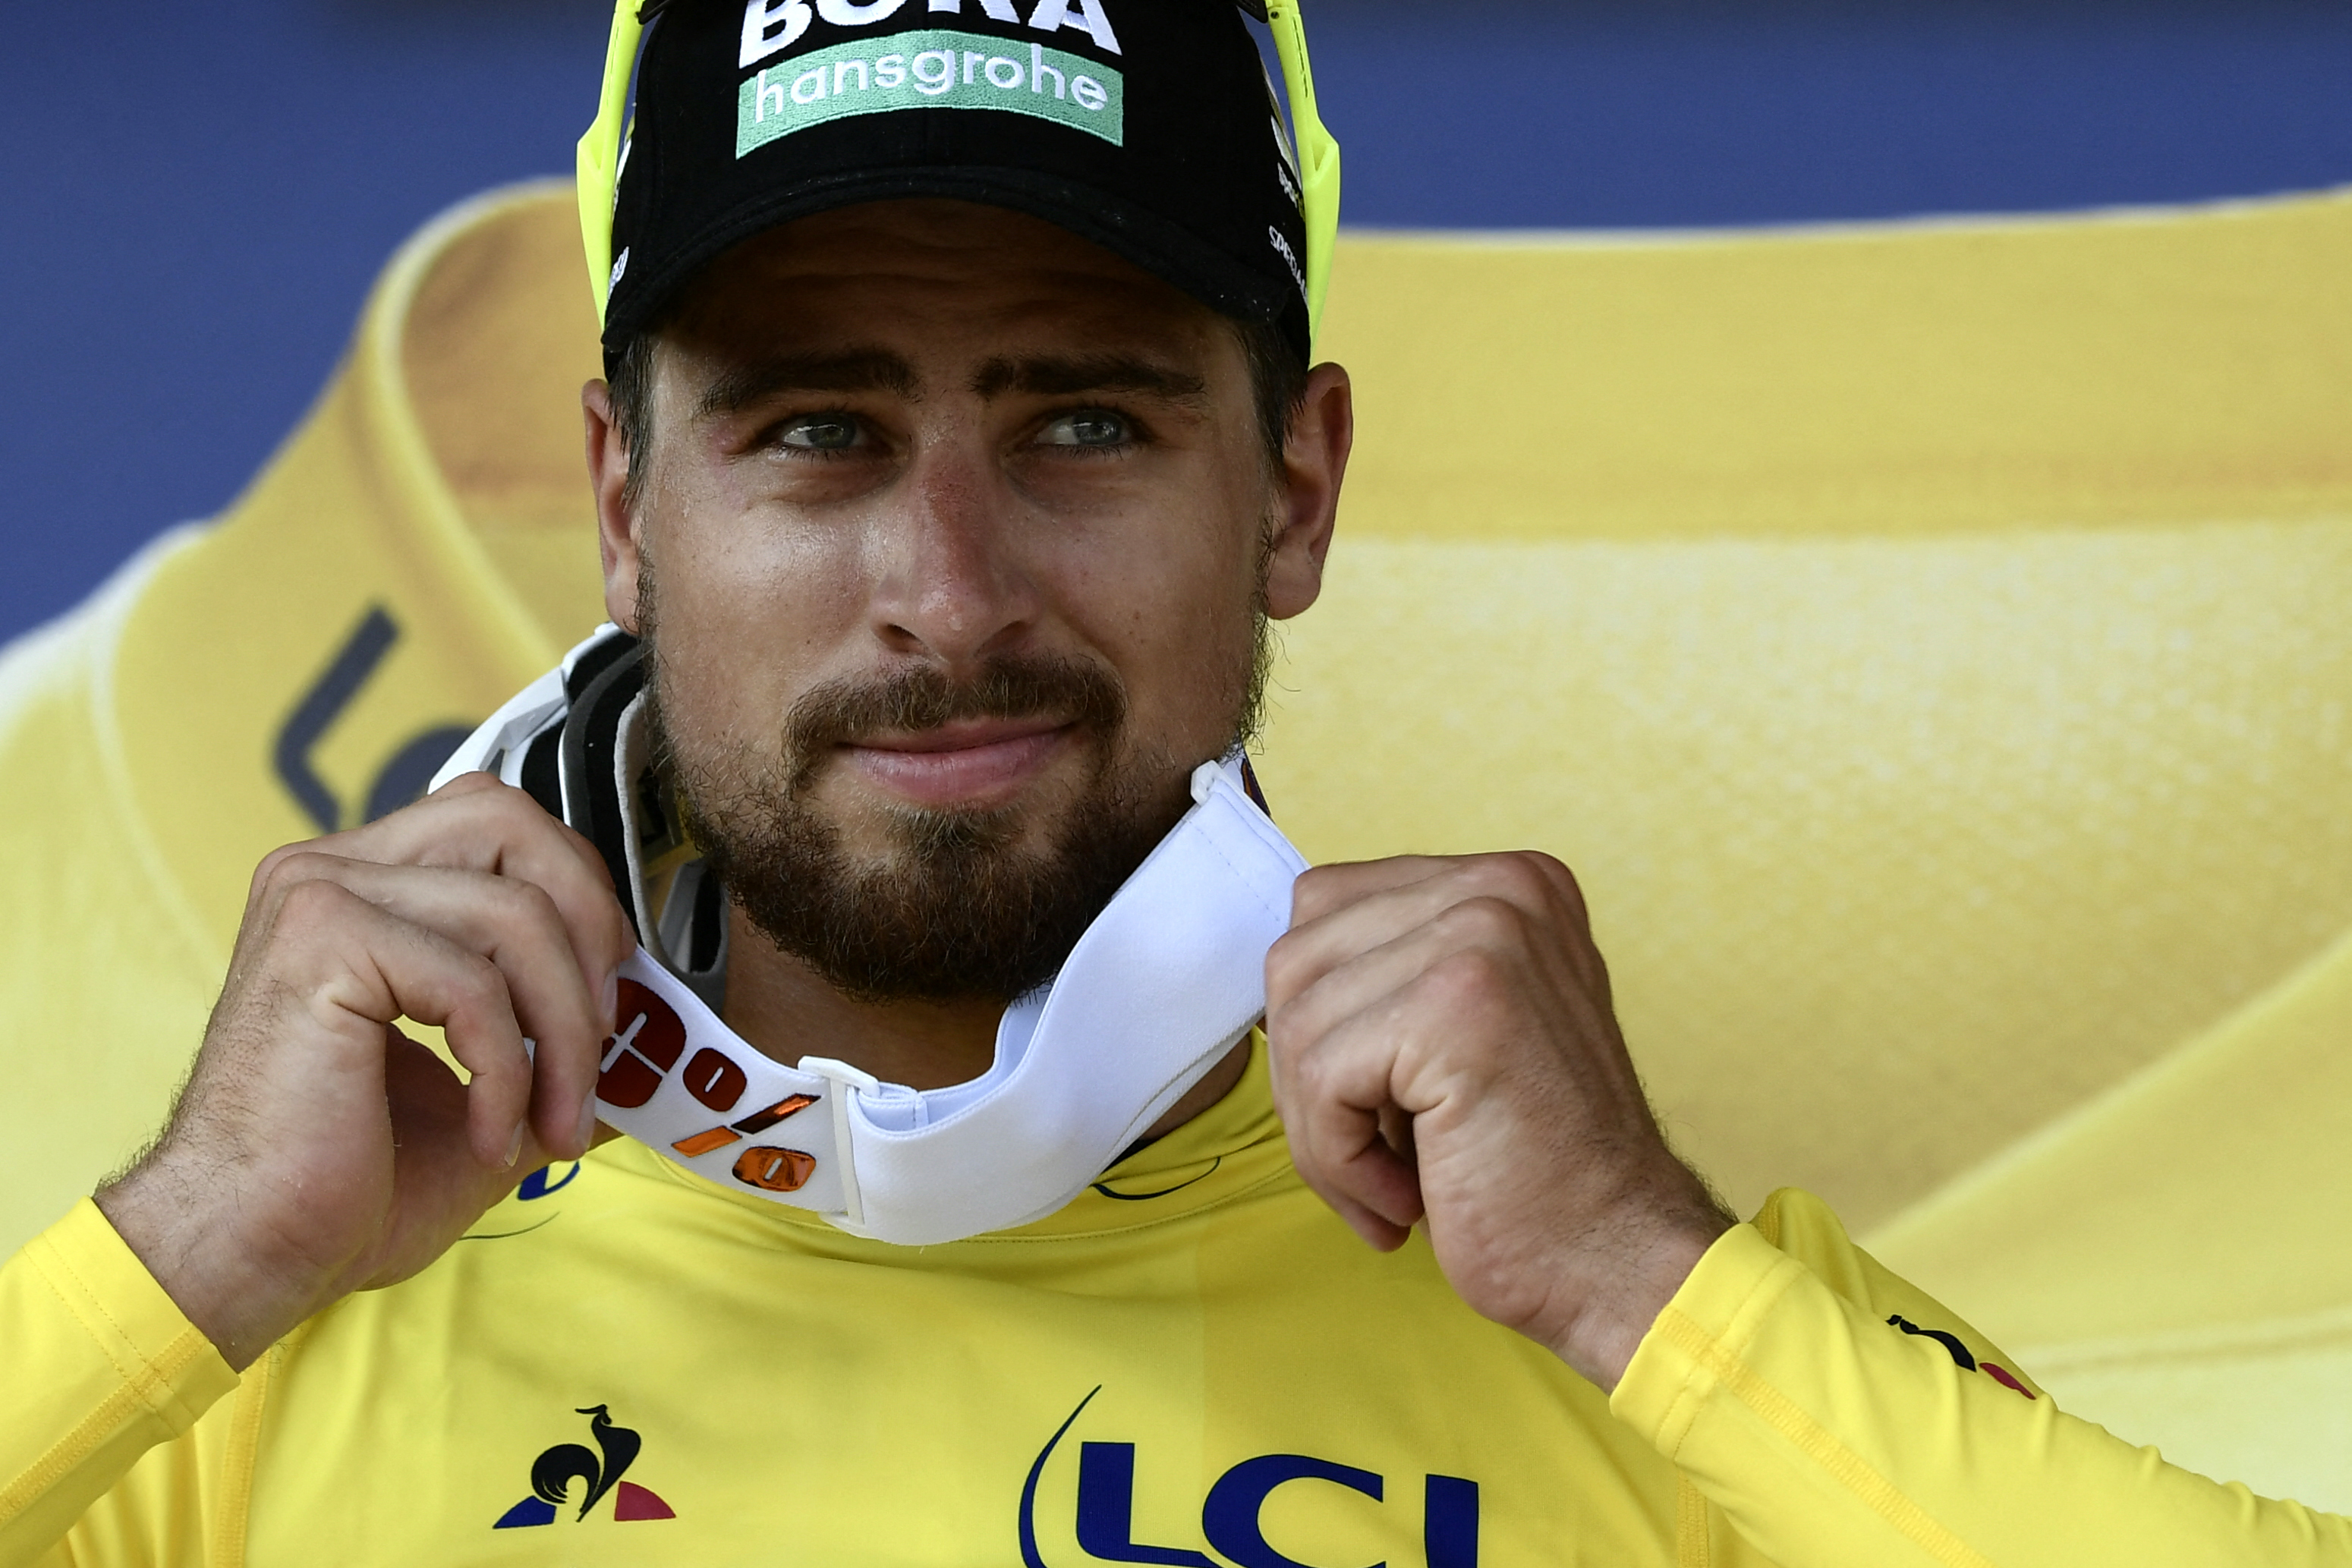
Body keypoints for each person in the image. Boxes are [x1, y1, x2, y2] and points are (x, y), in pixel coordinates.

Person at [5, 2, 2351, 1564]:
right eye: (815, 429)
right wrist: (190, 1254)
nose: (942, 586)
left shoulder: (1655, 1329)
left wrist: (1647, 1282)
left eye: (1084, 422)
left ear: (1295, 487)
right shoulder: (236, 1335)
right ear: (624, 505)